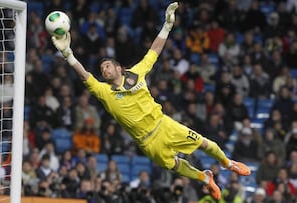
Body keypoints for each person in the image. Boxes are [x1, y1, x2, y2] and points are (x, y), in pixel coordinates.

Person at [51, 2, 250, 200]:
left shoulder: (137, 72)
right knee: (174, 166)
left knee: (203, 143)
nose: (104, 69)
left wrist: (167, 25)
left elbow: (154, 51)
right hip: (146, 141)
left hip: (163, 124)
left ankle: (227, 163)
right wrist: (68, 54)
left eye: (108, 65)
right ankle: (205, 178)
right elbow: (85, 76)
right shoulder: (104, 91)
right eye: (102, 69)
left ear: (119, 68)